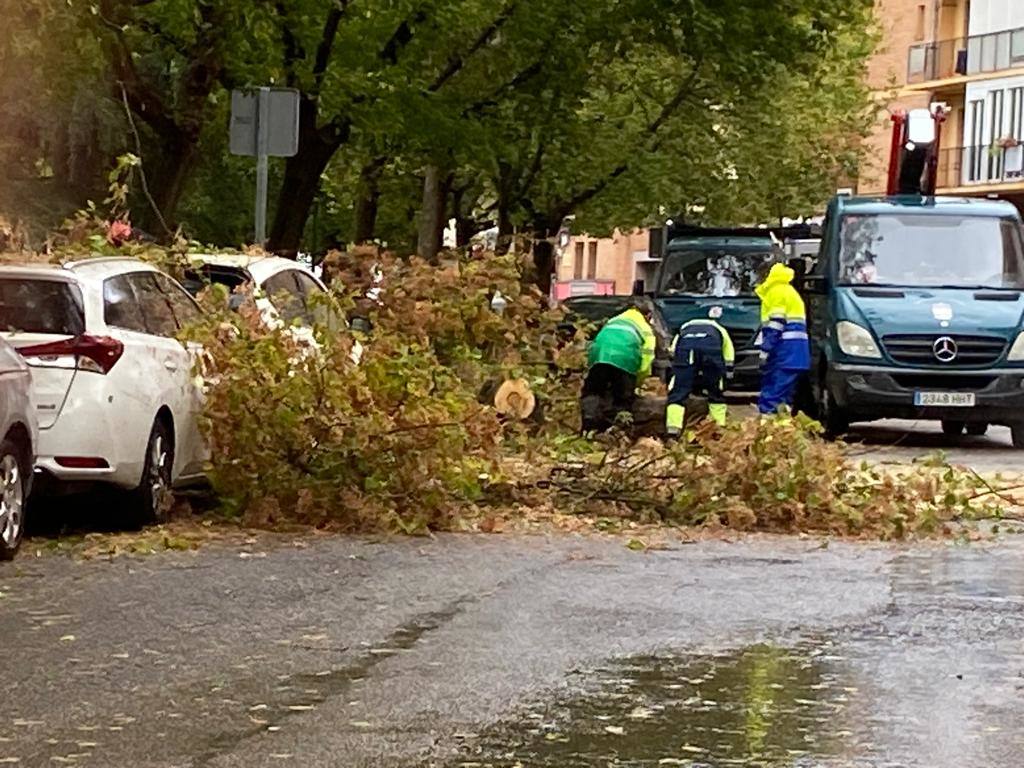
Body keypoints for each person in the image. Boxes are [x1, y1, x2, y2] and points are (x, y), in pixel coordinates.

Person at [581, 301, 656, 432]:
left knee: (594, 391)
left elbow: (596, 343)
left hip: (599, 356)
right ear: (648, 315)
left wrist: (592, 365)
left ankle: (589, 424)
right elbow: (647, 359)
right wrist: (638, 381)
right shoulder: (645, 328)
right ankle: (618, 429)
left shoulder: (614, 320)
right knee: (623, 397)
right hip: (625, 359)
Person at [665, 306, 735, 435]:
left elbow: (673, 352)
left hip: (686, 349)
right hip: (711, 348)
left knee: (678, 391)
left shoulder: (684, 328)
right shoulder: (719, 329)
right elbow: (729, 355)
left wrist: (681, 371)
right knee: (715, 391)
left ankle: (673, 429)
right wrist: (727, 374)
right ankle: (718, 429)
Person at [755, 263, 810, 415]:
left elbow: (776, 324)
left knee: (773, 393)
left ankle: (769, 430)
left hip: (784, 352)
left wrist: (765, 351)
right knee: (784, 396)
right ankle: (782, 429)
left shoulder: (776, 291)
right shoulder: (789, 291)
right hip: (794, 353)